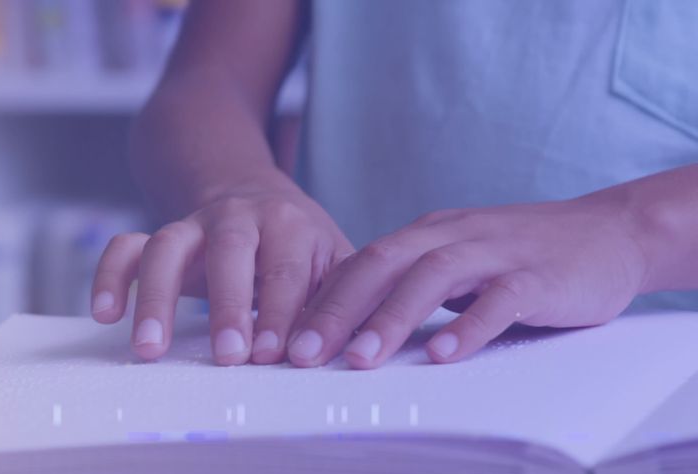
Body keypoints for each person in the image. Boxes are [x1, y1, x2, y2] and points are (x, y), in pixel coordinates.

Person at [89, 0, 698, 369]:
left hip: (660, 380)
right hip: (344, 364)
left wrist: (636, 230)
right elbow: (203, 81)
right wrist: (231, 186)